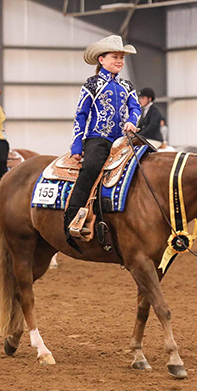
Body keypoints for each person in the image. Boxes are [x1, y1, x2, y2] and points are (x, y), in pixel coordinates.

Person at [64, 35, 141, 242]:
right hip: (99, 138)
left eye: (122, 58)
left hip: (124, 139)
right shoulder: (92, 84)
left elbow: (136, 107)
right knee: (91, 168)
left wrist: (132, 120)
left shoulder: (127, 85)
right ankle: (73, 218)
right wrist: (77, 146)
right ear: (101, 60)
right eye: (115, 57)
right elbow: (81, 115)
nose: (119, 61)